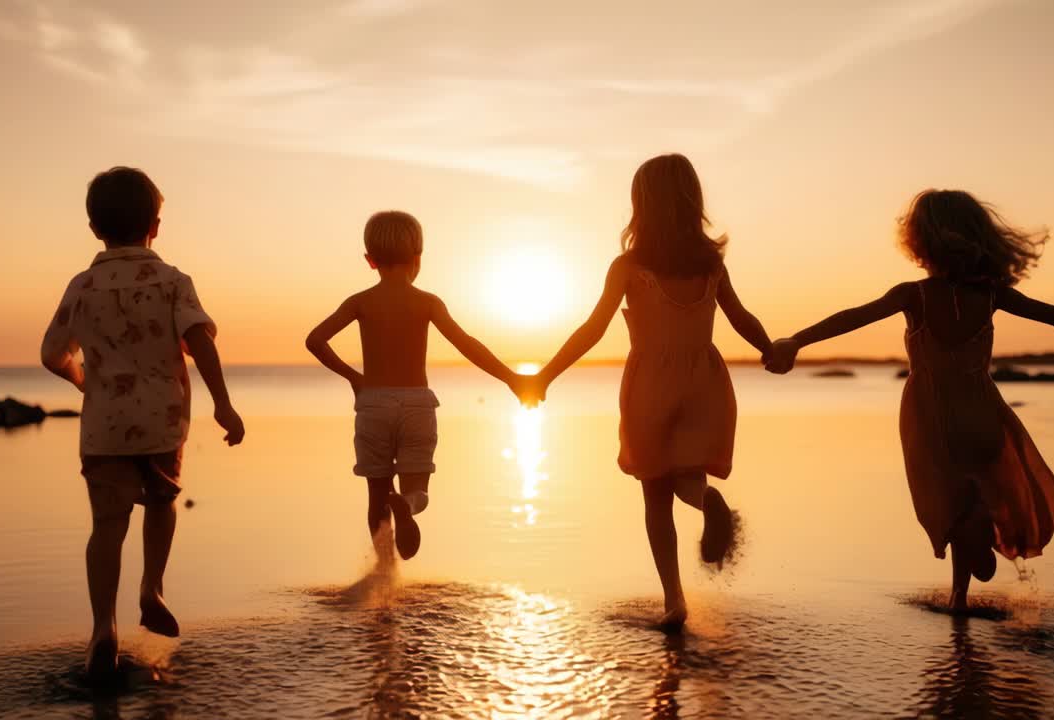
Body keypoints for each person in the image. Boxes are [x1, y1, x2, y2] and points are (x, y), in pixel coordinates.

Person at [767, 189, 1054, 611]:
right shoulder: (991, 295)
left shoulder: (912, 295)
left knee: (947, 501)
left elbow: (851, 317)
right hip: (982, 413)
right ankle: (960, 593)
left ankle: (971, 555)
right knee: (977, 495)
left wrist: (797, 340)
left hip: (929, 419)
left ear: (920, 241)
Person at [525, 154, 771, 629]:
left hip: (649, 388)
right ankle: (706, 503)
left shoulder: (628, 267)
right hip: (706, 384)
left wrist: (545, 375)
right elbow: (741, 318)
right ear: (692, 202)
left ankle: (675, 601)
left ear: (641, 206)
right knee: (689, 477)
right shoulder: (711, 264)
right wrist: (771, 350)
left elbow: (592, 330)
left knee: (656, 496)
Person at [40, 166, 245, 678]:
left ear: (93, 228)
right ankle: (151, 587)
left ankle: (103, 628)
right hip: (162, 422)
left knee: (107, 526)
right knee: (161, 502)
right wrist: (223, 404)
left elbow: (51, 354)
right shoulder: (172, 280)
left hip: (105, 426)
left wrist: (83, 378)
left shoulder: (82, 285)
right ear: (156, 223)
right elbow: (200, 342)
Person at [306, 211, 529, 565]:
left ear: (370, 260)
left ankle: (383, 575)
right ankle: (407, 504)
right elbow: (467, 344)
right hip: (416, 404)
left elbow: (315, 340)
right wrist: (513, 379)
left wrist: (354, 378)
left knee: (376, 495)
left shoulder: (361, 301)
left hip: (373, 404)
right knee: (418, 488)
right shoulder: (427, 302)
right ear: (418, 258)